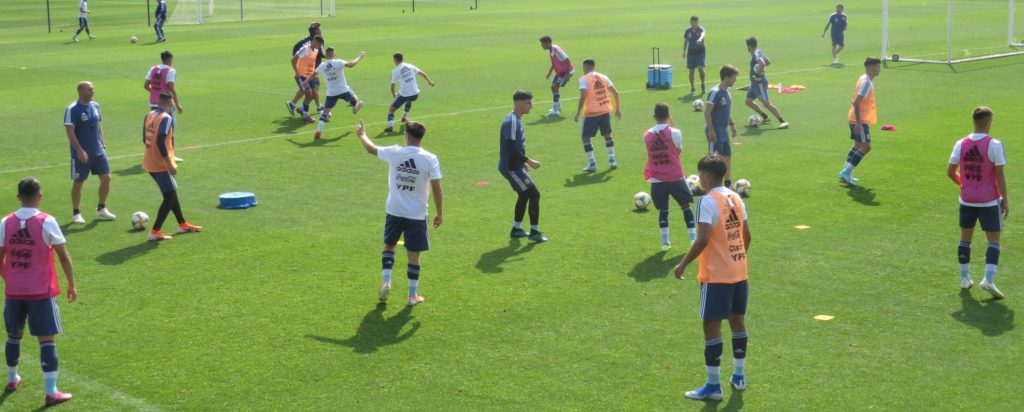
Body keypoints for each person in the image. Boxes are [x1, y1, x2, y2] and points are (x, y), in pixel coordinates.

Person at [673, 155, 751, 401]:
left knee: (711, 326)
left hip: (716, 276)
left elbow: (703, 238)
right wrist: (734, 258)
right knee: (737, 321)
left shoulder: (706, 201)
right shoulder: (735, 196)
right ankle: (739, 377)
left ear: (706, 176)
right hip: (740, 271)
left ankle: (713, 385)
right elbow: (746, 236)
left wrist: (683, 263)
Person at [0, 177, 77, 406]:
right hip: (41, 292)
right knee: (46, 340)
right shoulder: (47, 221)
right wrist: (71, 284)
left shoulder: (6, 222)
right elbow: (63, 256)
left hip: (14, 291)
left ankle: (12, 379)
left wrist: (8, 278)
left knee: (14, 336)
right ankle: (51, 391)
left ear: (18, 197)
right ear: (40, 196)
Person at [357, 120, 443, 306]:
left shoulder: (395, 152)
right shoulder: (430, 158)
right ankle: (412, 296)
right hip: (417, 214)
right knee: (414, 256)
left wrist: (362, 134)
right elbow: (436, 188)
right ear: (421, 137)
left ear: (406, 135)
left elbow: (371, 149)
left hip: (394, 210)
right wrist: (439, 213)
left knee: (389, 247)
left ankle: (387, 281)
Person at [948, 107, 1008, 299]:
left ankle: (965, 278)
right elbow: (999, 175)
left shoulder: (960, 143)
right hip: (989, 201)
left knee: (965, 239)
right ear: (987, 123)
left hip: (967, 200)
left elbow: (950, 171)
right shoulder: (995, 145)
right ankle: (988, 280)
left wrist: (963, 184)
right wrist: (1005, 200)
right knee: (994, 240)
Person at [142, 92, 202, 241]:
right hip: (160, 164)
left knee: (171, 193)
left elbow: (145, 139)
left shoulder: (149, 115)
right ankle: (155, 231)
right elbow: (161, 141)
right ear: (170, 104)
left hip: (149, 161)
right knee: (169, 197)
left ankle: (182, 224)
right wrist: (168, 163)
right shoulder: (166, 118)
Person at [644, 103, 696, 250]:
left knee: (663, 211)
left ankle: (665, 242)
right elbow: (678, 151)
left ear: (654, 116)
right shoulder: (675, 132)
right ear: (669, 116)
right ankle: (693, 238)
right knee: (685, 206)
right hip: (675, 177)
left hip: (656, 178)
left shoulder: (646, 135)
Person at [64, 81, 116, 225]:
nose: (93, 91)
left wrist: (102, 144)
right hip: (81, 154)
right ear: (81, 91)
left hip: (98, 151)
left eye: (93, 89)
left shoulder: (95, 105)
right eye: (90, 89)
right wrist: (79, 150)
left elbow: (98, 125)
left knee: (106, 178)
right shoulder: (72, 109)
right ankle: (76, 213)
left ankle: (101, 208)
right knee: (79, 181)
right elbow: (70, 132)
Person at [500, 90, 547, 243]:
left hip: (516, 165)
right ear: (519, 103)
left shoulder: (516, 120)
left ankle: (517, 228)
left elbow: (515, 149)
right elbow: (512, 150)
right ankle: (534, 232)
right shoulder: (511, 122)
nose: (531, 106)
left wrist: (524, 163)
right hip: (511, 167)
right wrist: (530, 162)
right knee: (534, 194)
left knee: (525, 194)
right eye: (528, 103)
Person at [838, 57, 882, 186]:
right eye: (878, 66)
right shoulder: (866, 82)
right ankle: (846, 172)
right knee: (866, 146)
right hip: (859, 119)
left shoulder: (863, 78)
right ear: (871, 67)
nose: (879, 69)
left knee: (857, 145)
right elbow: (857, 103)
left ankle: (845, 171)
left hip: (855, 117)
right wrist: (858, 123)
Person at [574, 58, 621, 172]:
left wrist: (578, 113)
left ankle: (592, 163)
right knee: (607, 134)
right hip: (605, 110)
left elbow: (583, 96)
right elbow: (616, 93)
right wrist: (617, 110)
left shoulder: (584, 79)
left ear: (585, 67)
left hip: (591, 113)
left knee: (585, 137)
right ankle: (612, 160)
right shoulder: (603, 77)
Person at [314, 48, 365, 139]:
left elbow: (314, 74)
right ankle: (355, 108)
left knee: (325, 113)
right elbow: (351, 65)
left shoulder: (322, 65)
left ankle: (318, 131)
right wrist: (359, 57)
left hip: (331, 93)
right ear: (334, 54)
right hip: (343, 90)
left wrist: (306, 81)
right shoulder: (338, 62)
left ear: (326, 55)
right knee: (355, 100)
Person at [704, 65, 739, 189]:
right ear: (727, 77)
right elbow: (707, 112)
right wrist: (711, 131)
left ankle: (728, 184)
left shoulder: (727, 92)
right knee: (713, 160)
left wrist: (732, 125)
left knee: (727, 157)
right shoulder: (715, 92)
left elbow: (725, 111)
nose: (735, 80)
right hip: (715, 132)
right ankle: (710, 185)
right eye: (734, 77)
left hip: (723, 131)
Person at [744, 37, 789, 130]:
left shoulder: (755, 54)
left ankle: (783, 121)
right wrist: (761, 70)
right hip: (754, 85)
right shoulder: (759, 51)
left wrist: (757, 73)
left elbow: (763, 63)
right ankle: (765, 117)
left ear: (749, 46)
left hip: (759, 83)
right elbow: (768, 62)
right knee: (748, 101)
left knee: (766, 103)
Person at [385, 53, 436, 133]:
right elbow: (423, 73)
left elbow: (392, 86)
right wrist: (429, 82)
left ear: (395, 60)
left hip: (405, 94)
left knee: (391, 109)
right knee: (409, 99)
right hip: (415, 94)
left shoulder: (395, 71)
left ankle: (390, 126)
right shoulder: (410, 66)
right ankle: (404, 117)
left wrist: (394, 95)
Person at [287, 25, 325, 120]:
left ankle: (299, 107)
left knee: (313, 94)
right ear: (315, 42)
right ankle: (305, 115)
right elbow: (293, 60)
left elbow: (312, 63)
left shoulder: (315, 50)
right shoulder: (305, 49)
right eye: (319, 45)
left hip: (310, 76)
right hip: (301, 75)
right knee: (309, 94)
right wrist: (296, 72)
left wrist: (314, 74)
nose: (320, 47)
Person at [540, 36, 574, 117]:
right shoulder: (550, 50)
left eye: (542, 44)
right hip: (560, 72)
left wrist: (568, 74)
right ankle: (558, 107)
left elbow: (567, 60)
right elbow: (554, 62)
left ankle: (555, 110)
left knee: (555, 87)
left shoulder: (556, 50)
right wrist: (550, 72)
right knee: (553, 87)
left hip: (566, 71)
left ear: (547, 43)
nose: (541, 45)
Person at [683, 16, 707, 95]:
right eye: (692, 22)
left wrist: (700, 39)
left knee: (700, 68)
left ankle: (703, 84)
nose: (694, 24)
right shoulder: (687, 31)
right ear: (690, 22)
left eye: (695, 22)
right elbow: (686, 42)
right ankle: (692, 87)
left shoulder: (701, 29)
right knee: (691, 72)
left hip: (700, 52)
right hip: (691, 52)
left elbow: (703, 34)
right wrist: (684, 51)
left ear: (697, 22)